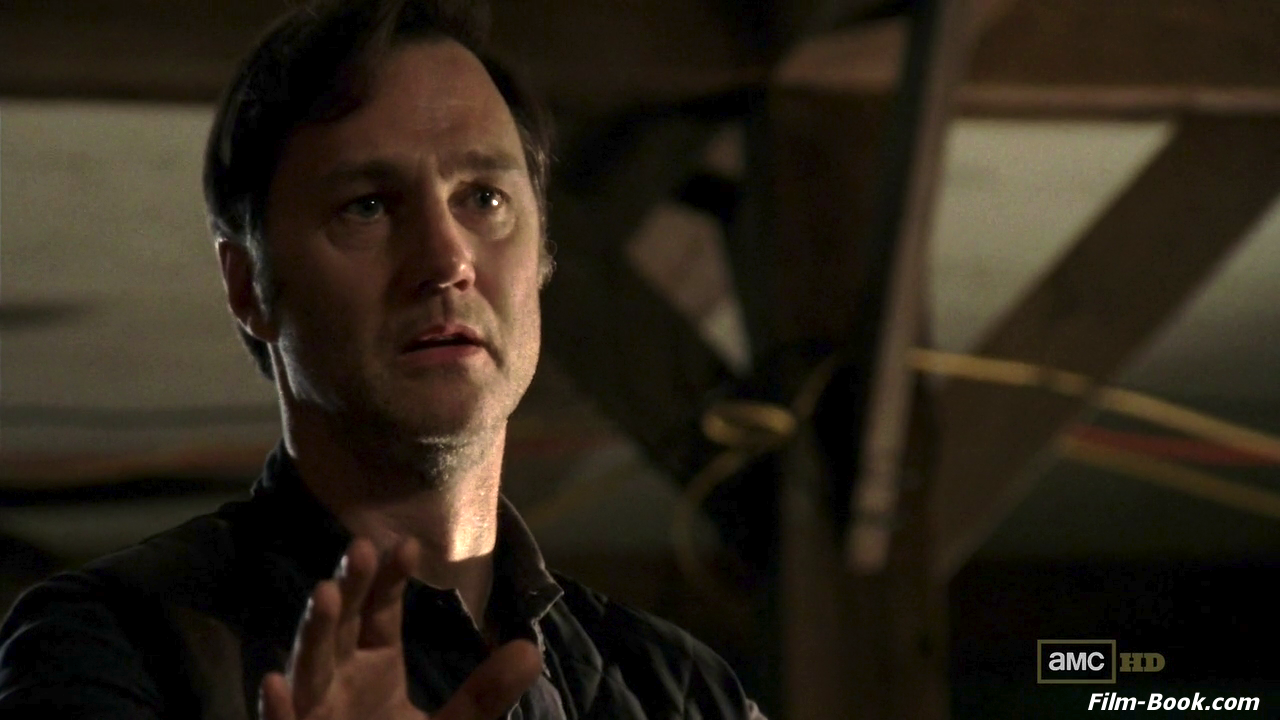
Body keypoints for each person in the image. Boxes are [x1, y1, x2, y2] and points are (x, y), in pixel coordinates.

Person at [0, 1, 767, 718]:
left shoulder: (680, 690)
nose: (446, 259)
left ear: (542, 255)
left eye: (484, 198)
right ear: (249, 286)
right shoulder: (115, 641)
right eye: (366, 206)